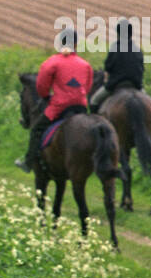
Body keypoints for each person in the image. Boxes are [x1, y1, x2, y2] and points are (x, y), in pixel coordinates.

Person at [15, 26, 93, 173]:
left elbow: (41, 86)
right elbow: (87, 88)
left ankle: (28, 162)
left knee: (37, 130)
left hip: (59, 107)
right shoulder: (85, 64)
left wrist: (46, 97)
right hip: (81, 106)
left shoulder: (52, 62)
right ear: (76, 44)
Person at [90, 18, 144, 108]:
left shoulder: (115, 48)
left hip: (116, 83)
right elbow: (141, 69)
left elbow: (108, 66)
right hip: (136, 84)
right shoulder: (137, 49)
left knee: (94, 100)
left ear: (118, 33)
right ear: (131, 33)